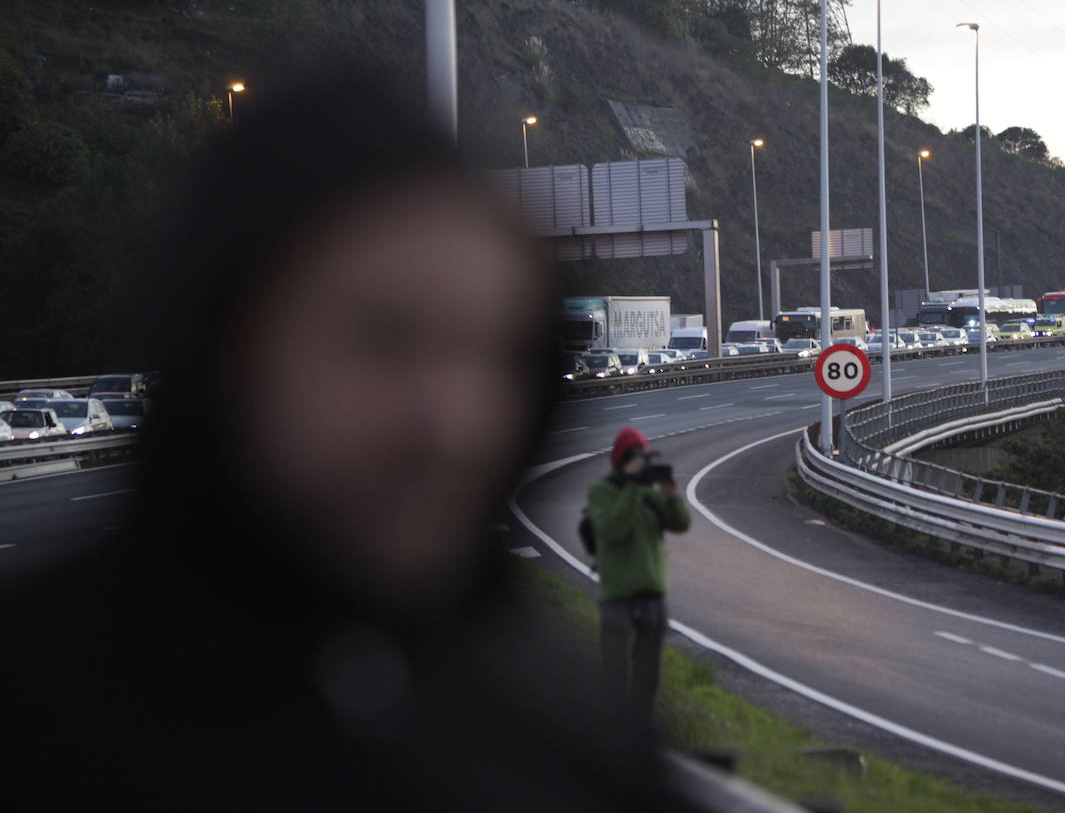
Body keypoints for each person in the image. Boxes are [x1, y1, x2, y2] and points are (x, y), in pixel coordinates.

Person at [0, 71, 695, 812]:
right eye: (382, 340)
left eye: (495, 353)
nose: (450, 422)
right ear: (224, 342)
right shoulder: (41, 709)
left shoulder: (561, 726)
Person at [586, 426, 692, 718]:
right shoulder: (602, 492)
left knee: (647, 676)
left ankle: (642, 731)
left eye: (645, 458)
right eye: (637, 458)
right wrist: (631, 487)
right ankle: (612, 732)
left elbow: (681, 524)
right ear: (622, 460)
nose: (643, 463)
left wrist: (672, 496)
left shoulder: (650, 490)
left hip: (653, 598)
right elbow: (613, 529)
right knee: (615, 674)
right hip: (619, 598)